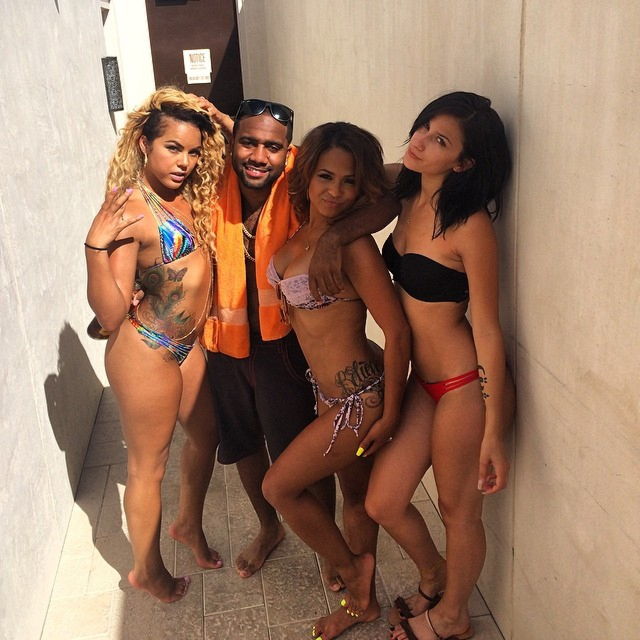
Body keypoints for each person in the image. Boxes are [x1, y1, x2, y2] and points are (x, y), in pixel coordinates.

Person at [199, 99, 401, 583]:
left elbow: (397, 188)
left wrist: (337, 236)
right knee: (249, 447)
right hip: (234, 346)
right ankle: (322, 558)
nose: (258, 155)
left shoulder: (310, 204)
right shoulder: (212, 185)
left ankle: (350, 566)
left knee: (298, 473)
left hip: (312, 368)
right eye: (247, 142)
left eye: (272, 146)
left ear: (288, 154)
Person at [361, 92, 515, 640]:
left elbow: (489, 329)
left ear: (465, 162)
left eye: (441, 140)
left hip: (462, 386)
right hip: (421, 383)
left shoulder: (469, 227)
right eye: (425, 126)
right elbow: (341, 167)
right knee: (383, 502)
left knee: (457, 511)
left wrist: (494, 430)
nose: (421, 140)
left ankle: (453, 617)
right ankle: (436, 578)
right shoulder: (405, 190)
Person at [261, 122, 410, 640]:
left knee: (279, 487)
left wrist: (391, 412)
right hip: (327, 395)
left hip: (360, 402)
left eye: (350, 182)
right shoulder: (302, 237)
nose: (336, 191)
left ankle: (353, 569)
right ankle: (360, 605)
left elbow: (396, 330)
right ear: (306, 176)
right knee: (354, 499)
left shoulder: (355, 246)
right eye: (326, 176)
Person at [84, 87, 226, 602]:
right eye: (173, 148)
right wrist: (95, 248)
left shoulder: (189, 194)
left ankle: (187, 524)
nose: (185, 162)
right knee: (149, 467)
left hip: (187, 347)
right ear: (145, 144)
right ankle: (147, 569)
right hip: (145, 350)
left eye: (193, 151)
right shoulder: (130, 208)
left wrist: (221, 118)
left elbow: (260, 156)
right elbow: (109, 313)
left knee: (207, 436)